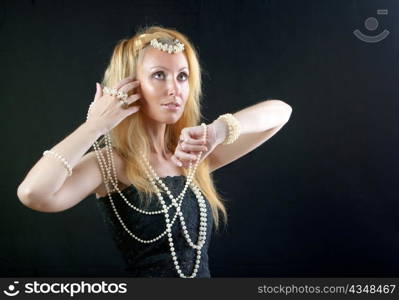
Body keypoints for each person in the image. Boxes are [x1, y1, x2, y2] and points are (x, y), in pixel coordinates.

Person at [17, 25, 293, 278]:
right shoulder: (112, 163)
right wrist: (95, 127)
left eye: (182, 76)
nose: (175, 89)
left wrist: (219, 130)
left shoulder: (191, 153)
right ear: (130, 85)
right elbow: (34, 194)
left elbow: (281, 111)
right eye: (159, 75)